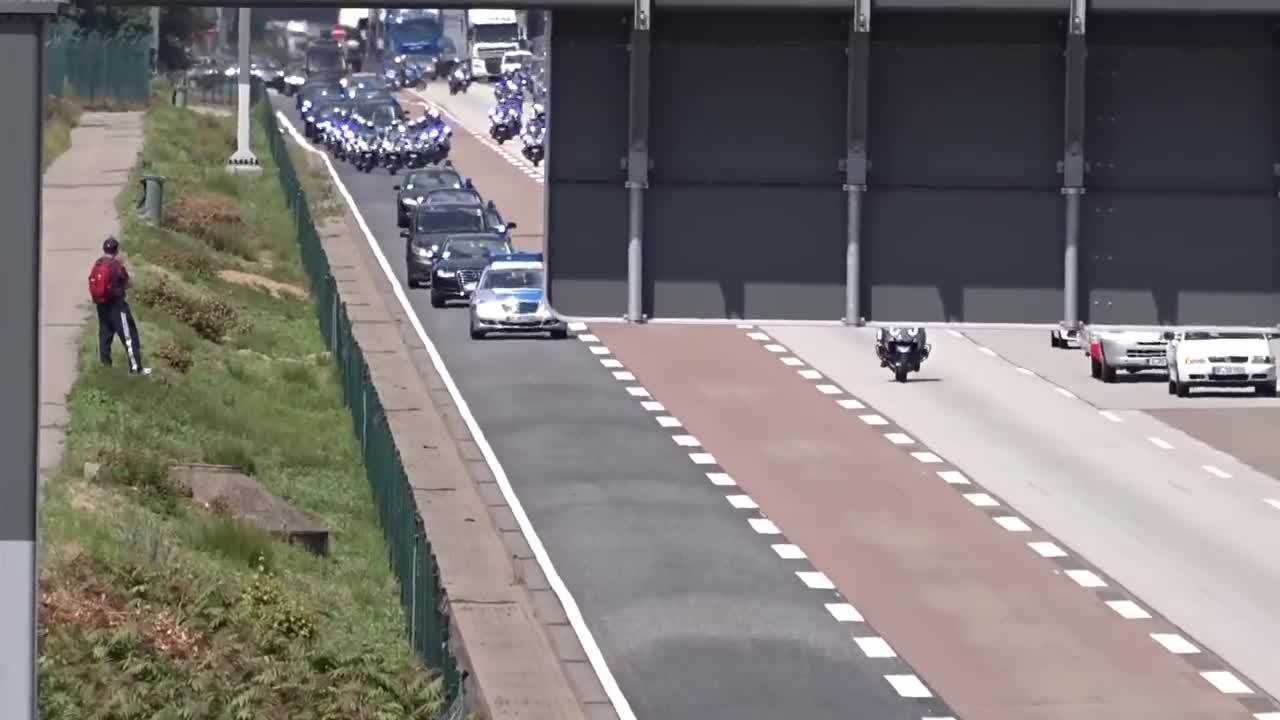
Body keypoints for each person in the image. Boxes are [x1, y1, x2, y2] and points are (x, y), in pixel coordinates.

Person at [88, 236, 150, 375]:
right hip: (117, 306)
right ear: (116, 251)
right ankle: (136, 369)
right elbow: (127, 282)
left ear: (104, 249)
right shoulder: (116, 266)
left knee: (104, 334)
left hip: (101, 305)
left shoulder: (97, 264)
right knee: (129, 335)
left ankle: (105, 366)